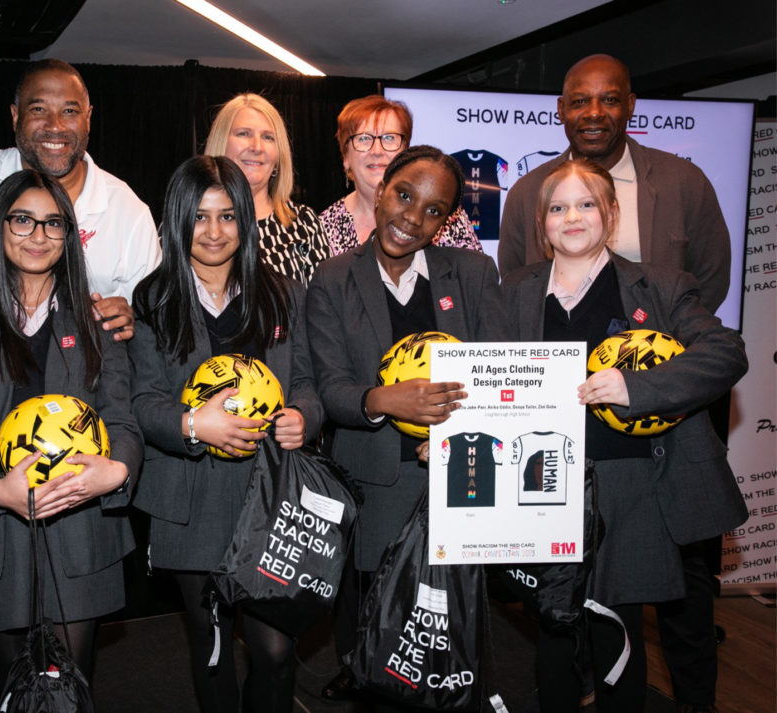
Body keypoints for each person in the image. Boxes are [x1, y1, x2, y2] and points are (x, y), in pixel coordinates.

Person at [498, 54, 734, 713]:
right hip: (540, 485)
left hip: (633, 489)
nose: (572, 217)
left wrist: (639, 388)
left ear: (610, 211)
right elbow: (488, 380)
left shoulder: (659, 285)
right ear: (539, 222)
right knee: (550, 639)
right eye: (557, 208)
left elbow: (722, 352)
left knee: (620, 647)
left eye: (586, 205)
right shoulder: (511, 293)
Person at [0, 170, 141, 700]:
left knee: (68, 692)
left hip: (79, 527)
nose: (37, 235)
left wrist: (117, 471)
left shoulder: (93, 321)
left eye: (53, 224)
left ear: (69, 237)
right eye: (23, 219)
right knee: (11, 693)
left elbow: (123, 422)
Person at [307, 145, 507, 712]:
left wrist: (451, 434)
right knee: (383, 644)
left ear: (449, 219)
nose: (413, 218)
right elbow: (330, 387)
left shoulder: (470, 273)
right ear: (381, 186)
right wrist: (381, 399)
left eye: (434, 210)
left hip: (461, 478)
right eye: (404, 195)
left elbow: (496, 371)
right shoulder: (334, 278)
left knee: (453, 635)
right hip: (376, 483)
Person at [129, 155, 323, 713]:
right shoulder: (151, 301)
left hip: (271, 498)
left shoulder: (284, 292)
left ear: (246, 221)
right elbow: (141, 402)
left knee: (275, 651)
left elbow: (308, 382)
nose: (214, 233)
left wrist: (303, 417)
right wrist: (194, 424)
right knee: (212, 649)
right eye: (200, 217)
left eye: (228, 216)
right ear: (177, 219)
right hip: (190, 498)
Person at [0, 58, 160, 341]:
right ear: (15, 116)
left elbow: (151, 323)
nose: (55, 125)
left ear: (88, 118)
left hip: (78, 380)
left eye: (70, 111)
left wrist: (131, 319)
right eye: (39, 109)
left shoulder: (129, 213)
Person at [498, 54, 730, 315]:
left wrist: (669, 337)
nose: (594, 113)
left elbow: (712, 278)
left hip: (656, 351)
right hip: (560, 351)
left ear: (630, 106)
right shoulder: (529, 191)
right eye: (580, 101)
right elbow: (514, 281)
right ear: (561, 109)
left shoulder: (682, 181)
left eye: (609, 100)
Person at [319, 94, 482, 256]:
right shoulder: (323, 229)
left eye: (389, 138)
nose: (377, 151)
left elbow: (474, 277)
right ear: (346, 156)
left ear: (406, 151)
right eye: (363, 139)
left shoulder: (444, 217)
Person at [204, 93, 331, 284]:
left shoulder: (304, 223)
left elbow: (326, 306)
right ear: (221, 143)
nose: (257, 147)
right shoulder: (188, 220)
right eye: (244, 134)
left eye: (268, 137)